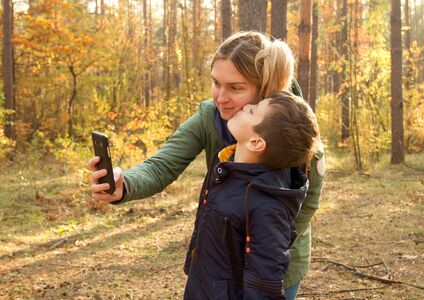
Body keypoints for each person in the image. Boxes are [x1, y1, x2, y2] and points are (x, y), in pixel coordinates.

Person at [89, 31, 325, 298]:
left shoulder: (297, 128)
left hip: (275, 270)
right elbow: (162, 165)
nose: (220, 98)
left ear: (265, 88)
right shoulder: (210, 116)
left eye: (235, 87)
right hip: (214, 266)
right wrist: (126, 184)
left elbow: (309, 201)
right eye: (216, 83)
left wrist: (257, 246)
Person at [183, 91, 319, 299]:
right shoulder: (225, 168)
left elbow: (264, 285)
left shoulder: (268, 207)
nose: (246, 106)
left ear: (256, 142)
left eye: (253, 110)